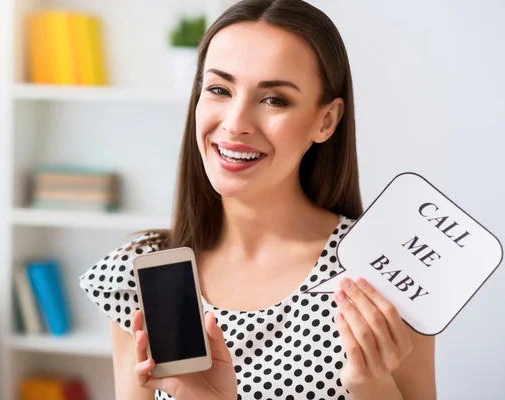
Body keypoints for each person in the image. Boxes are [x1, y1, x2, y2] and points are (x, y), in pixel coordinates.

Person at [78, 0, 437, 399]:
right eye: (218, 90)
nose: (235, 123)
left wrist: (370, 385)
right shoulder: (139, 273)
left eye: (274, 99)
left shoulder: (385, 272)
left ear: (326, 120)